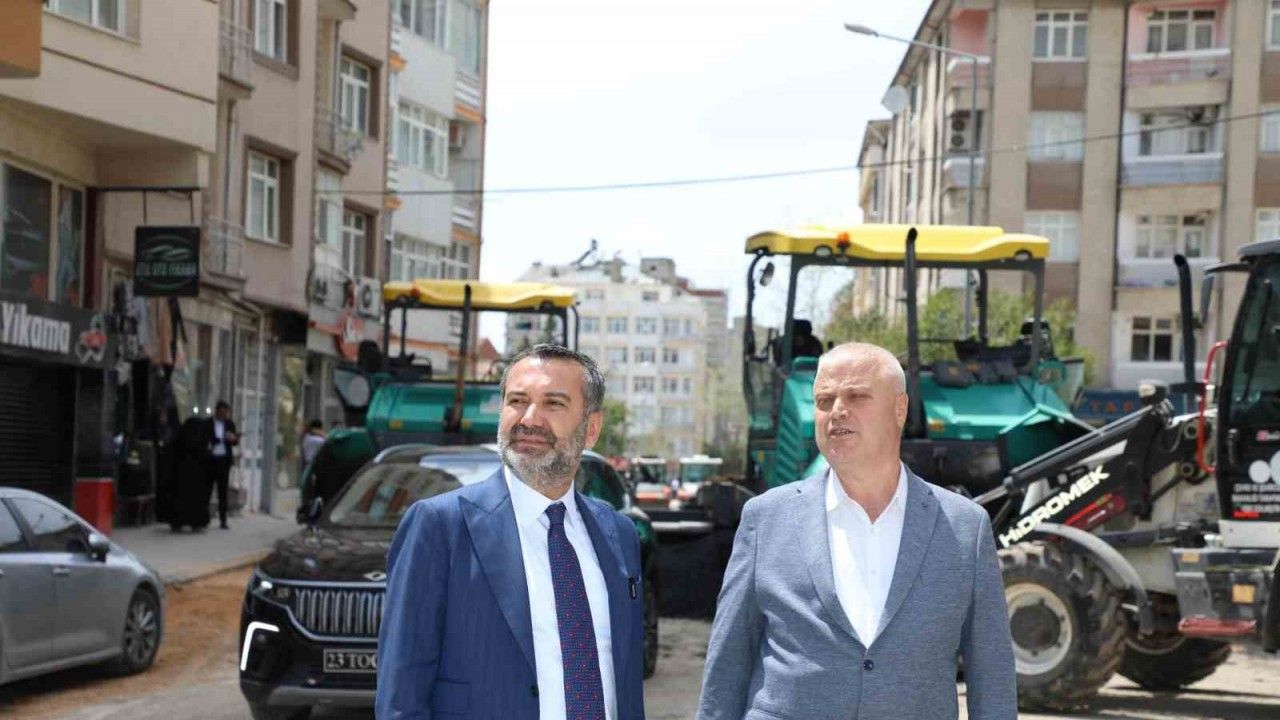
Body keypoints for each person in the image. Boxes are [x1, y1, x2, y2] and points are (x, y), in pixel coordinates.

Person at [696, 342, 1016, 720]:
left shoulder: (965, 527)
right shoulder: (765, 519)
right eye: (824, 400)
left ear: (899, 409)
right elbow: (728, 663)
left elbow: (991, 676)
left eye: (857, 396)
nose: (837, 411)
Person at [377, 344, 647, 720]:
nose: (529, 419)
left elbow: (627, 683)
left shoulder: (619, 534)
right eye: (517, 401)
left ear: (591, 429)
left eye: (553, 403)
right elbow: (401, 695)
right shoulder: (439, 527)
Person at [207, 400, 239, 530]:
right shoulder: (209, 423)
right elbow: (206, 438)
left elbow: (235, 441)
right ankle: (205, 516)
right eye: (223, 412)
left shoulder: (229, 424)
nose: (225, 415)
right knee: (207, 489)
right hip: (211, 459)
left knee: (223, 491)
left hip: (224, 460)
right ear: (217, 411)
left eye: (227, 412)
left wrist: (233, 438)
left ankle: (223, 519)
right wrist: (219, 439)